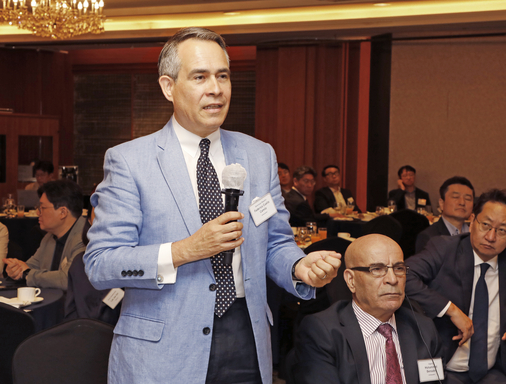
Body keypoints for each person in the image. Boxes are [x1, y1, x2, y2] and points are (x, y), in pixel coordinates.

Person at [84, 27, 341, 384]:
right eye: (200, 77)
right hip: (163, 346)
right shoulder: (130, 161)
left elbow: (276, 243)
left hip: (246, 336)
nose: (216, 89)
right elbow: (101, 264)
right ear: (168, 87)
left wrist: (300, 267)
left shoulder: (259, 155)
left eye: (223, 76)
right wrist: (186, 250)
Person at [406, 189, 506, 384]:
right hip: (441, 369)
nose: (491, 237)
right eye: (485, 225)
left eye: (502, 230)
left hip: (491, 372)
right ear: (472, 220)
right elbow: (403, 275)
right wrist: (450, 310)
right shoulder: (443, 249)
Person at [293, 234, 443, 384]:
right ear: (351, 280)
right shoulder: (323, 332)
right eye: (377, 269)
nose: (392, 279)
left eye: (399, 268)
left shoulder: (422, 328)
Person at [4, 179, 86, 290]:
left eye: (42, 208)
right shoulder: (49, 236)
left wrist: (27, 274)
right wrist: (16, 269)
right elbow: (31, 266)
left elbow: (68, 279)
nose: (38, 212)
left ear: (63, 212)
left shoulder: (84, 238)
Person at [65, 207, 120, 325]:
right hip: (82, 335)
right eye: (98, 214)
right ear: (89, 221)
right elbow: (71, 311)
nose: (104, 220)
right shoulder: (79, 262)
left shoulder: (129, 263)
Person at [415, 176, 475, 253]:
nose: (462, 202)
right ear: (442, 203)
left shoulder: (475, 236)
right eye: (456, 197)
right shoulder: (429, 237)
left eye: (468, 199)